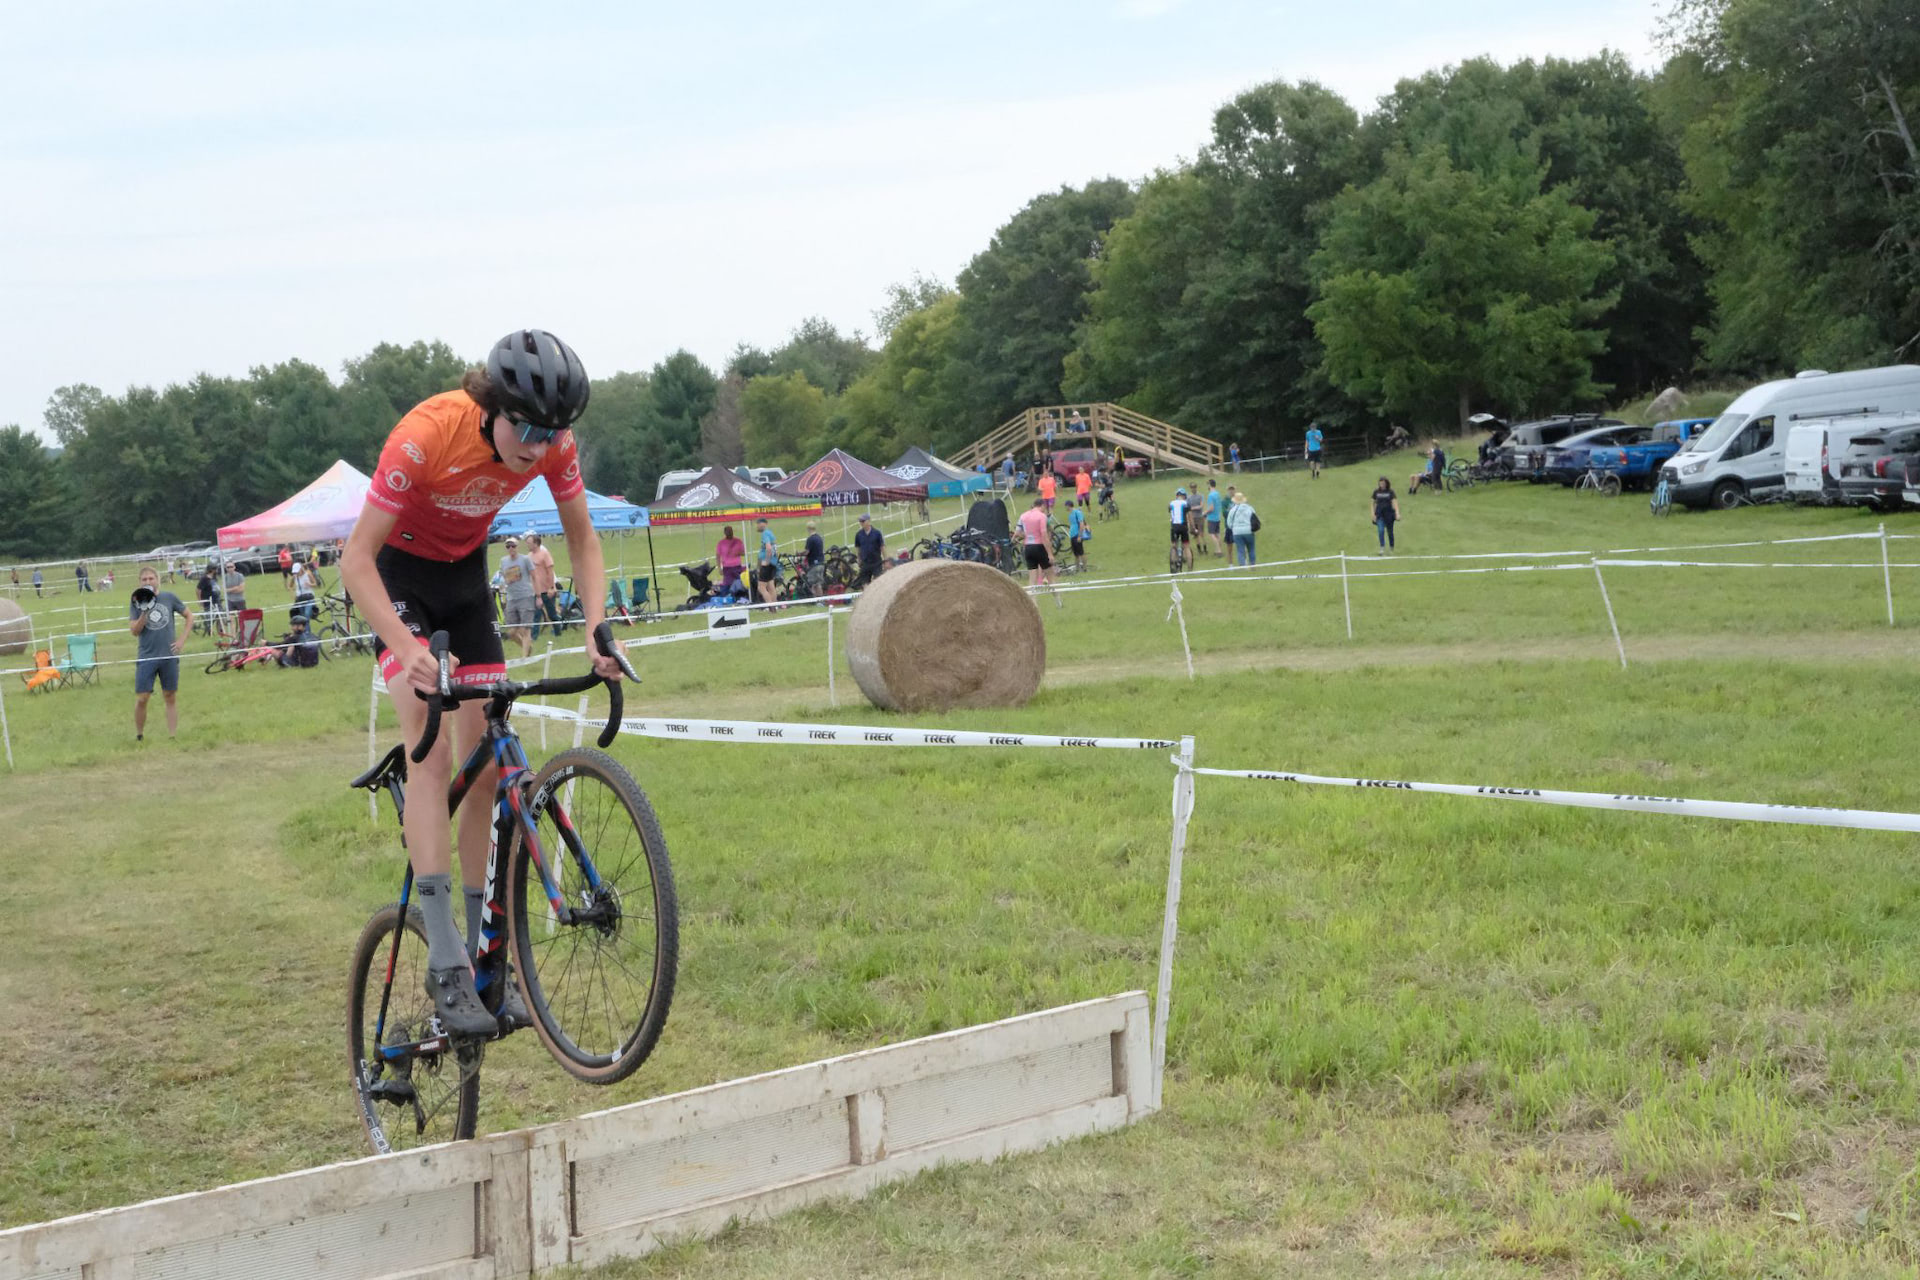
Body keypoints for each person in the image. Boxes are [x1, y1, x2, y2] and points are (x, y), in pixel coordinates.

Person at [338, 328, 623, 1039]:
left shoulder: (552, 446)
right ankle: (445, 965)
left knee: (491, 766)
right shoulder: (426, 436)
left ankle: (485, 961)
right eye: (522, 425)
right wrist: (405, 648)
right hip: (399, 580)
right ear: (490, 404)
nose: (535, 443)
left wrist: (593, 624)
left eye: (550, 430)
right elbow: (354, 561)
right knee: (429, 753)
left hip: (464, 585)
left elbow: (583, 540)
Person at [128, 565, 190, 742]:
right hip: (147, 656)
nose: (148, 582)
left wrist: (181, 641)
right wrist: (144, 613)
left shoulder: (168, 597)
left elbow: (189, 616)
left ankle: (172, 736)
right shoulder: (136, 601)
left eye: (151, 578)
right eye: (144, 579)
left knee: (170, 695)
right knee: (142, 697)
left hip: (168, 656)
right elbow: (134, 631)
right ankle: (139, 735)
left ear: (157, 580)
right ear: (140, 583)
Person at [497, 535, 537, 657]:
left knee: (525, 629)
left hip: (526, 596)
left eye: (513, 546)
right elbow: (502, 576)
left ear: (517, 547)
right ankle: (527, 648)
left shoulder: (525, 559)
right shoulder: (503, 561)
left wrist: (538, 594)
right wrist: (505, 582)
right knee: (512, 632)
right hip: (511, 598)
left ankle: (524, 658)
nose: (511, 548)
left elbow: (534, 576)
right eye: (508, 546)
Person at [1017, 497, 1055, 589]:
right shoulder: (1042, 516)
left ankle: (1032, 601)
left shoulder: (1023, 516)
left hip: (1028, 548)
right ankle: (1058, 600)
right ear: (1042, 505)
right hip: (1039, 547)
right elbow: (1044, 535)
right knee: (1050, 575)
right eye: (1045, 507)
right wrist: (1050, 554)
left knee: (1032, 578)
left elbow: (1018, 532)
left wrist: (1026, 535)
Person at [1226, 489, 1258, 565]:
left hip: (1237, 532)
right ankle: (1253, 565)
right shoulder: (1249, 508)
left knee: (1240, 550)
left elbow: (1229, 523)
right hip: (1248, 530)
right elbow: (1254, 518)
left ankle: (1242, 566)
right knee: (1251, 549)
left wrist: (1234, 528)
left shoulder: (1232, 510)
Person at [754, 517, 781, 607]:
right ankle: (775, 605)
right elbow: (775, 549)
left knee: (761, 587)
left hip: (767, 564)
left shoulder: (765, 534)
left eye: (758, 524)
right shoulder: (770, 533)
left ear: (763, 524)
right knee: (770, 586)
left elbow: (769, 548)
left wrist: (767, 561)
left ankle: (770, 607)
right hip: (773, 563)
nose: (757, 526)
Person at [853, 512, 885, 586]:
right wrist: (858, 559)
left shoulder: (877, 533)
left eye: (863, 521)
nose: (861, 523)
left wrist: (885, 560)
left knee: (878, 582)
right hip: (865, 563)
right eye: (860, 521)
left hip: (876, 562)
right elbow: (858, 547)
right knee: (865, 583)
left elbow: (882, 547)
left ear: (868, 521)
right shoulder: (858, 534)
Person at [1371, 476, 1401, 554]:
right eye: (1380, 483)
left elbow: (1395, 502)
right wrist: (1373, 514)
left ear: (1386, 483)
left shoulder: (1390, 492)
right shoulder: (1376, 492)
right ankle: (1382, 548)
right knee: (1380, 530)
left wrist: (1397, 513)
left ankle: (1391, 547)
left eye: (1383, 483)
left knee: (1390, 532)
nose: (1382, 485)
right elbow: (1372, 503)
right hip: (1379, 514)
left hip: (1389, 515)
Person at [715, 525, 745, 594]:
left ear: (732, 531)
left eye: (730, 531)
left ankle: (739, 596)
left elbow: (743, 553)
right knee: (727, 584)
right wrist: (719, 568)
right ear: (724, 533)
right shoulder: (721, 543)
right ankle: (725, 597)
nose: (729, 533)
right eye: (727, 531)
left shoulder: (738, 541)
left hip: (737, 566)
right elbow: (718, 556)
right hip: (727, 567)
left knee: (738, 583)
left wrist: (737, 553)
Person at [1169, 487, 1192, 570]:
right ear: (1184, 496)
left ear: (1176, 495)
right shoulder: (1186, 503)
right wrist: (1193, 528)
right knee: (1186, 546)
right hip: (1183, 526)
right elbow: (1190, 517)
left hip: (1174, 526)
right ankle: (1190, 568)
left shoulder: (1171, 503)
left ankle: (1173, 564)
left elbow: (1171, 515)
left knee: (1174, 545)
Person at [802, 520, 826, 598]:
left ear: (808, 529)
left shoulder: (810, 539)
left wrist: (799, 553)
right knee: (818, 583)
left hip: (814, 564)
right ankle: (819, 599)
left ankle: (817, 599)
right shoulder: (819, 538)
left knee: (814, 583)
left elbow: (807, 552)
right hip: (821, 562)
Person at [1067, 501, 1091, 572]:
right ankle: (1077, 568)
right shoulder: (1070, 514)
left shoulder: (1077, 513)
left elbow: (1081, 524)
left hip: (1077, 535)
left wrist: (1080, 536)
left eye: (1066, 506)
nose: (1065, 508)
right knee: (1076, 554)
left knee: (1081, 552)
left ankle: (1084, 568)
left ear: (1069, 506)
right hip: (1072, 535)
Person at [1203, 480, 1225, 558]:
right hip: (1217, 517)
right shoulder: (1218, 494)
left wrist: (1204, 513)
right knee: (1217, 534)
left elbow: (1211, 508)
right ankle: (1219, 550)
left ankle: (1218, 551)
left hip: (1212, 518)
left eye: (1207, 485)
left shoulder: (1210, 495)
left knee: (1212, 534)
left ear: (1210, 485)